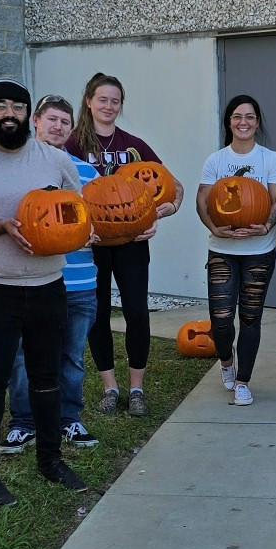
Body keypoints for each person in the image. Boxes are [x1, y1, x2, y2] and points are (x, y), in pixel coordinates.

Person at [0, 78, 90, 505]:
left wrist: (80, 233)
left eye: (17, 106)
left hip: (48, 286)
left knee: (47, 379)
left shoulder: (55, 160)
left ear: (28, 114)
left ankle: (50, 459)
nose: (9, 113)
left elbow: (77, 210)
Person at [71, 72, 183, 418]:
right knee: (98, 313)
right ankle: (110, 387)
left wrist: (164, 211)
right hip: (93, 245)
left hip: (133, 241)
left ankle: (136, 387)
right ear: (89, 101)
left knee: (136, 311)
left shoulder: (132, 146)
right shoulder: (72, 144)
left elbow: (173, 185)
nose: (108, 106)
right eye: (102, 99)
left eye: (115, 101)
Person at [0, 94, 101, 454]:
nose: (57, 127)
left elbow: (106, 218)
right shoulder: (17, 170)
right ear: (35, 122)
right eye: (51, 120)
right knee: (23, 355)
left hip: (79, 280)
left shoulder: (86, 173)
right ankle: (24, 422)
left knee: (72, 355)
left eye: (64, 122)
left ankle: (68, 417)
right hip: (32, 279)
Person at [195, 95, 276, 405]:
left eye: (249, 117)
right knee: (221, 319)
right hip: (222, 248)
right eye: (237, 117)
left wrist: (266, 226)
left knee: (250, 317)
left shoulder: (270, 159)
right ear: (229, 122)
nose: (243, 122)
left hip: (259, 249)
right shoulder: (216, 160)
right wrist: (213, 227)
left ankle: (243, 381)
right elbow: (202, 200)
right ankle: (226, 361)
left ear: (257, 122)